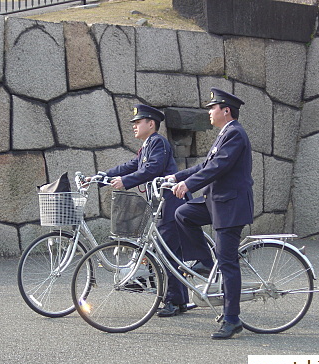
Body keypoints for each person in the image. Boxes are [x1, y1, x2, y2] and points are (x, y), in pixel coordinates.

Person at [166, 88, 254, 339]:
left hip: (230, 206)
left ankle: (232, 319)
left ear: (226, 110)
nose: (208, 112)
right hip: (215, 201)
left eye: (212, 108)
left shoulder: (235, 133)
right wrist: (177, 176)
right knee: (183, 214)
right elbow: (205, 165)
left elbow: (218, 167)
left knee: (227, 262)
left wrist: (188, 185)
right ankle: (205, 261)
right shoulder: (224, 134)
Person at [104, 104, 188, 317]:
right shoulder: (148, 146)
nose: (134, 126)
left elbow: (151, 170)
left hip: (170, 203)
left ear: (151, 124)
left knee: (166, 253)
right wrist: (102, 177)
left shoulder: (158, 142)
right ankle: (180, 301)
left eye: (138, 122)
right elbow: (131, 166)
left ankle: (173, 301)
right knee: (171, 252)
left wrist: (125, 181)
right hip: (165, 204)